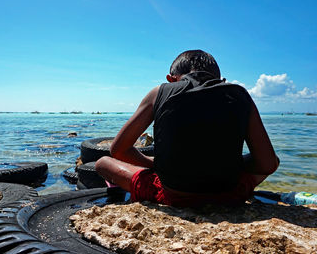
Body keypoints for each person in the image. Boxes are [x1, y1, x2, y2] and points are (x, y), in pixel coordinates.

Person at [95, 49, 279, 207]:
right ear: (221, 79)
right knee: (268, 160)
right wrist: (230, 164)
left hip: (172, 196)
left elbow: (118, 150)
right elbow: (269, 164)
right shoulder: (239, 95)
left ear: (171, 79)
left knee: (103, 163)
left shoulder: (159, 92)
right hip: (229, 194)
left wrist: (157, 164)